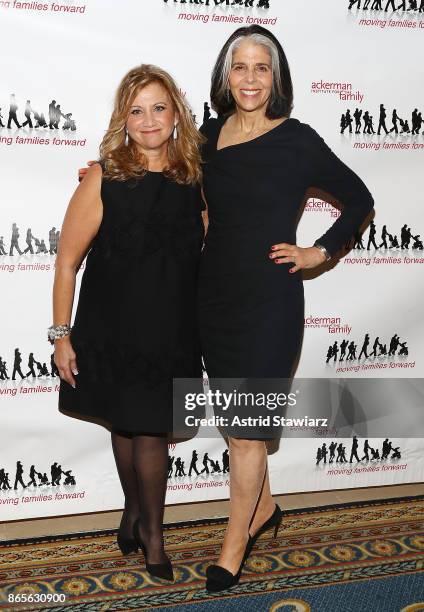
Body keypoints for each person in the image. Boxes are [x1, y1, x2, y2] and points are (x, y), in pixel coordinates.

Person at [199, 25, 374, 592]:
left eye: (261, 68)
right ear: (226, 76)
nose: (249, 79)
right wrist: (106, 176)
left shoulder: (296, 140)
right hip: (214, 297)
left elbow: (360, 199)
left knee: (247, 432)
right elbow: (165, 181)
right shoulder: (207, 136)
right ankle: (266, 507)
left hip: (270, 302)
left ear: (277, 78)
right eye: (240, 67)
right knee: (237, 423)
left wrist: (318, 252)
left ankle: (234, 545)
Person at [52, 64, 204, 582]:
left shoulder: (195, 181)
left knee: (151, 429)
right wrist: (61, 335)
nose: (149, 120)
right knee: (127, 422)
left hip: (172, 329)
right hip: (111, 326)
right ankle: (147, 529)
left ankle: (140, 520)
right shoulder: (103, 177)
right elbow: (67, 262)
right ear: (123, 118)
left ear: (176, 114)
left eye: (159, 107)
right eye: (137, 110)